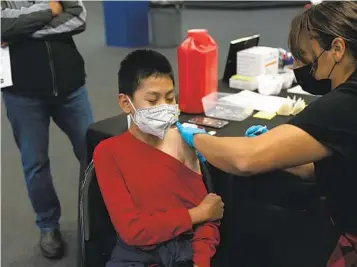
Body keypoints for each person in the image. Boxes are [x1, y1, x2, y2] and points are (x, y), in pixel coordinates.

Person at [176, 2, 357, 266]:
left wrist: (198, 138)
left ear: (337, 49)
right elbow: (329, 162)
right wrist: (282, 154)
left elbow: (246, 160)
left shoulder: (345, 104)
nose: (301, 66)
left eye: (306, 56)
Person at [93, 49, 223, 267]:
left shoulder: (183, 143)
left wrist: (200, 261)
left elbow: (209, 217)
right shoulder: (108, 152)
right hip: (135, 255)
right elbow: (133, 231)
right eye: (153, 100)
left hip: (185, 251)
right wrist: (196, 214)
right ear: (126, 103)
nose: (164, 107)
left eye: (170, 98)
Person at [1, 0, 93, 259]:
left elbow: (79, 16)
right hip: (22, 94)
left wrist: (19, 32)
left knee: (95, 154)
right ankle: (48, 225)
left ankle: (106, 213)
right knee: (35, 164)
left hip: (70, 86)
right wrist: (49, 11)